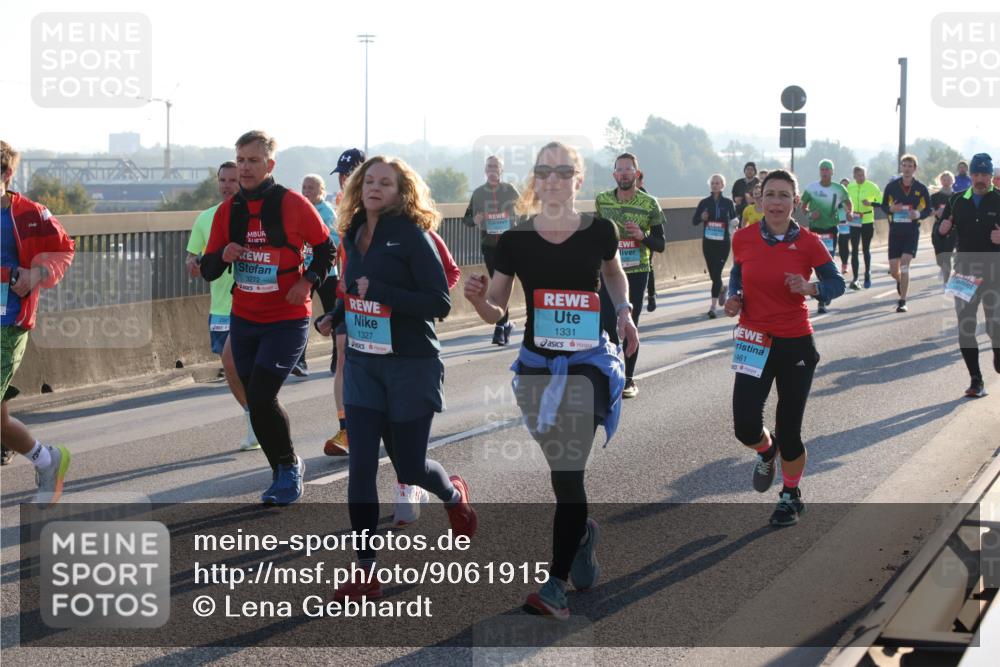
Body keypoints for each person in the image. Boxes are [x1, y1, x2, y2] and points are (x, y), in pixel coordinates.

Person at [464, 141, 638, 619]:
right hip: (536, 366)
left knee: (567, 471)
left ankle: (555, 585)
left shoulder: (600, 230)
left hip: (587, 363)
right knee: (561, 475)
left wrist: (623, 312)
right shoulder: (515, 238)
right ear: (535, 181)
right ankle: (581, 534)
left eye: (565, 171)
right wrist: (480, 301)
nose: (555, 179)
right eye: (545, 171)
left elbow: (615, 274)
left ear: (578, 180)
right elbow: (497, 305)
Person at [318, 156, 476, 600]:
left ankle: (452, 492)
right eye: (369, 181)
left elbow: (439, 302)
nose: (374, 187)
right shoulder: (352, 234)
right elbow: (354, 292)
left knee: (409, 466)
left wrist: (382, 293)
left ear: (401, 191)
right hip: (365, 365)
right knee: (361, 465)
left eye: (385, 183)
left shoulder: (412, 235)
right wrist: (335, 315)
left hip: (411, 364)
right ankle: (366, 571)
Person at [200, 130, 335, 505]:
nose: (244, 167)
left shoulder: (292, 204)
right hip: (245, 317)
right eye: (240, 159)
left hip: (286, 319)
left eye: (253, 160)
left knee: (262, 395)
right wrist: (222, 255)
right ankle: (281, 468)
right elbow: (209, 269)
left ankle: (289, 469)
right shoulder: (229, 211)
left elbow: (327, 249)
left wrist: (307, 281)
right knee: (254, 399)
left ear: (269, 164)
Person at [725, 169, 845, 526]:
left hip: (795, 344)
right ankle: (767, 450)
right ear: (759, 200)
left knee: (790, 428)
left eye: (784, 195)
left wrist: (811, 289)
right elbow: (738, 274)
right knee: (745, 425)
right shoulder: (743, 238)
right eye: (770, 194)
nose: (776, 202)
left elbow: (837, 283)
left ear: (796, 202)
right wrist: (734, 296)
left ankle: (790, 495)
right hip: (752, 340)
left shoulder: (808, 242)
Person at [0, 140, 75, 504]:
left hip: (8, 323)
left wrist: (36, 273)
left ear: (7, 174)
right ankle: (48, 460)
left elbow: (64, 250)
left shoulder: (30, 213)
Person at [185, 161, 259, 451]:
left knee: (245, 366)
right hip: (220, 306)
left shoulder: (255, 215)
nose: (227, 185)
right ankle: (253, 415)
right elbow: (192, 256)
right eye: (223, 180)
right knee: (231, 368)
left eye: (233, 180)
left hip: (252, 303)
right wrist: (192, 264)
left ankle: (262, 415)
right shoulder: (206, 218)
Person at [595, 153, 665, 398]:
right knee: (606, 324)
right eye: (620, 169)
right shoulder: (602, 201)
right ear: (614, 174)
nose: (624, 173)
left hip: (636, 271)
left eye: (629, 169)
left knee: (628, 325)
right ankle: (611, 373)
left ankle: (628, 379)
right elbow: (596, 234)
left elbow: (661, 244)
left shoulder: (650, 204)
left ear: (636, 173)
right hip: (608, 271)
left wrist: (642, 237)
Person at [936, 153, 1000, 399]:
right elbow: (941, 233)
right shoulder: (956, 201)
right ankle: (976, 380)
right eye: (976, 174)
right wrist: (941, 232)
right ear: (970, 175)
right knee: (966, 326)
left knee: (995, 326)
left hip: (995, 269)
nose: (980, 179)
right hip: (964, 270)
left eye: (985, 174)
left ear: (991, 176)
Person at [323, 148, 367, 457]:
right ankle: (347, 428)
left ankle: (380, 422)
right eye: (341, 174)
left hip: (375, 296)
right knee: (342, 357)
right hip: (345, 295)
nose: (343, 180)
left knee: (374, 362)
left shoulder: (381, 206)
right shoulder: (340, 205)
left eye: (349, 174)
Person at [462, 156, 520, 345]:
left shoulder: (510, 190)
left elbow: (524, 208)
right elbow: (466, 219)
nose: (492, 169)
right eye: (489, 166)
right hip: (490, 246)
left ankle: (500, 327)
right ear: (485, 170)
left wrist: (516, 220)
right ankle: (503, 325)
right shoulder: (478, 193)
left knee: (503, 285)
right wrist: (475, 220)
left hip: (510, 245)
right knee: (497, 284)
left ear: (501, 170)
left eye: (496, 166)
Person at [291, 174, 340, 377]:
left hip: (326, 273)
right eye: (304, 187)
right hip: (305, 272)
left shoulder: (327, 212)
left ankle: (338, 359)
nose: (306, 191)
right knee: (300, 316)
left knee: (334, 317)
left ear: (322, 191)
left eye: (311, 187)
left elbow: (334, 241)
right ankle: (299, 361)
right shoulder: (300, 209)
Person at [880, 154, 932, 313]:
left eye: (910, 166)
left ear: (915, 169)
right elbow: (883, 206)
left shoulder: (921, 188)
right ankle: (900, 281)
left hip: (911, 232)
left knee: (905, 263)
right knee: (894, 270)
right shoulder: (892, 186)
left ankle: (902, 301)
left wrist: (918, 214)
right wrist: (891, 209)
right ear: (901, 167)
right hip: (895, 232)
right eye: (904, 165)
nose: (907, 168)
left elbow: (928, 209)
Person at [800, 159, 852, 313]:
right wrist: (810, 214)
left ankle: (823, 295)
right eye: (822, 169)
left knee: (827, 261)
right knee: (818, 264)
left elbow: (849, 204)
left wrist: (849, 213)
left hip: (831, 230)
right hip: (815, 230)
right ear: (819, 171)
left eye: (827, 169)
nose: (824, 172)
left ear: (832, 172)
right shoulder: (811, 188)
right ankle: (824, 294)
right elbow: (802, 209)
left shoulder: (839, 189)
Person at [693, 174, 738, 318]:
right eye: (713, 183)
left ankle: (713, 307)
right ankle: (721, 288)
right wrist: (702, 217)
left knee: (717, 273)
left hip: (723, 242)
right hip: (708, 242)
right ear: (710, 185)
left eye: (718, 183)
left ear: (723, 185)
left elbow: (734, 220)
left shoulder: (728, 203)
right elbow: (694, 221)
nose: (715, 185)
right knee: (713, 274)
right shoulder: (704, 203)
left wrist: (735, 225)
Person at [845, 166, 883, 289]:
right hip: (855, 219)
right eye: (858, 175)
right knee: (854, 249)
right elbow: (845, 201)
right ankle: (856, 278)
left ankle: (867, 273)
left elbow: (882, 202)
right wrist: (848, 212)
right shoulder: (850, 186)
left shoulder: (872, 186)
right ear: (854, 176)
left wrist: (870, 203)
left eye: (863, 175)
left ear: (866, 175)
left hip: (867, 220)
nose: (861, 177)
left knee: (866, 248)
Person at [636, 169, 658, 312]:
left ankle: (651, 295)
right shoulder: (617, 198)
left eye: (636, 180)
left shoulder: (649, 201)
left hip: (646, 240)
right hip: (626, 243)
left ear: (641, 182)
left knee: (647, 266)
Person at [930, 171, 957, 285]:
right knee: (939, 255)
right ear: (940, 181)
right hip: (938, 226)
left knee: (947, 254)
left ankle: (946, 282)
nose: (946, 182)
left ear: (952, 181)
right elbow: (929, 211)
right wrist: (936, 211)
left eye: (948, 180)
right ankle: (942, 267)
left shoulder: (956, 196)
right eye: (944, 180)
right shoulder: (935, 197)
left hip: (952, 229)